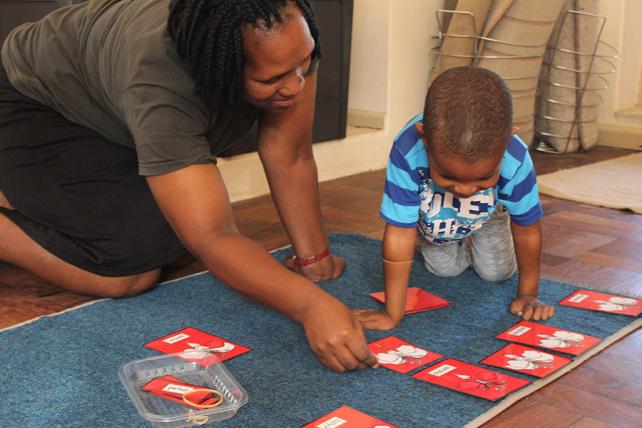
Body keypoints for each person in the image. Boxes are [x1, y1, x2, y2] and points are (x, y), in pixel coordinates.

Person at [0, 0, 377, 372]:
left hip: (107, 109)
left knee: (174, 238)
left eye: (303, 65)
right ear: (219, 69)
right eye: (271, 79)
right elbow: (212, 235)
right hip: (33, 100)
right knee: (127, 270)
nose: (296, 84)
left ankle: (35, 194)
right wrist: (310, 306)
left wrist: (314, 258)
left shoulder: (287, 38)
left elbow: (289, 153)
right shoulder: (160, 80)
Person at [354, 66, 555, 331]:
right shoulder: (407, 150)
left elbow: (527, 228)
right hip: (433, 212)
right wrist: (393, 313)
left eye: (482, 179)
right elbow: (399, 233)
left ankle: (490, 215)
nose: (465, 190)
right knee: (445, 271)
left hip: (488, 212)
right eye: (449, 177)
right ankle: (440, 232)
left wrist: (528, 293)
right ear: (424, 139)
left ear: (508, 142)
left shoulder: (515, 159)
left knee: (496, 274)